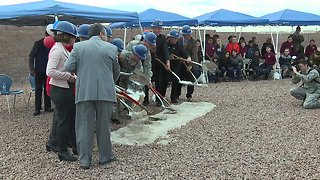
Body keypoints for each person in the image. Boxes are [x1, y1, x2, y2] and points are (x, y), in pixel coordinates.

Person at [64, 23, 120, 169]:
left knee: (83, 127)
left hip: (84, 92)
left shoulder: (78, 47)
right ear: (101, 34)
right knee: (104, 126)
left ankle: (85, 161)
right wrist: (108, 83)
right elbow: (116, 72)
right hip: (106, 93)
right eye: (106, 34)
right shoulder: (112, 48)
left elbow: (68, 67)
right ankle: (105, 157)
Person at [46, 21, 77, 162]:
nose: (74, 38)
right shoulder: (57, 50)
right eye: (72, 36)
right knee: (63, 121)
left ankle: (62, 146)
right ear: (65, 36)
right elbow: (50, 71)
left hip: (63, 88)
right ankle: (62, 151)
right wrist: (69, 77)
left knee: (65, 120)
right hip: (60, 89)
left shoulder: (61, 48)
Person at [125, 32, 157, 106]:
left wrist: (148, 80)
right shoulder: (132, 44)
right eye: (150, 44)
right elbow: (125, 58)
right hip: (126, 69)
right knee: (125, 87)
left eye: (152, 45)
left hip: (137, 69)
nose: (151, 46)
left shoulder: (147, 52)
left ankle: (134, 105)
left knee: (139, 85)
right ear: (145, 41)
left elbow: (147, 66)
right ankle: (126, 105)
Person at [29, 26, 53, 116]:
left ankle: (48, 106)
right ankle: (37, 108)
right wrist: (32, 69)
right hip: (38, 70)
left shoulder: (53, 44)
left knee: (47, 90)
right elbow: (31, 56)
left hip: (48, 70)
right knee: (38, 90)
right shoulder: (38, 43)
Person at [151, 19, 170, 106]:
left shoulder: (162, 38)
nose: (159, 30)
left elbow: (166, 51)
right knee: (147, 81)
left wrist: (167, 62)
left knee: (160, 81)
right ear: (153, 28)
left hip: (159, 63)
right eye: (157, 28)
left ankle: (159, 99)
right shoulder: (147, 36)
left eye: (160, 28)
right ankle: (145, 99)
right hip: (149, 62)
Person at [178, 25, 199, 102]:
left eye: (188, 34)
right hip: (181, 62)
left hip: (190, 62)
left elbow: (194, 54)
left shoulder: (194, 41)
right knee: (179, 78)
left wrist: (191, 65)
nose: (186, 36)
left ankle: (189, 95)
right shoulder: (179, 40)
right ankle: (177, 94)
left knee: (191, 80)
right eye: (184, 35)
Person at [167, 29, 188, 103]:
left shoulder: (179, 46)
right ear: (170, 37)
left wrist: (188, 58)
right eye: (173, 38)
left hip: (176, 65)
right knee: (163, 81)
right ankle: (160, 96)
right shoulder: (165, 45)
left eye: (176, 38)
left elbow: (184, 53)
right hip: (166, 65)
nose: (174, 40)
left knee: (176, 80)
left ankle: (174, 97)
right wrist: (168, 56)